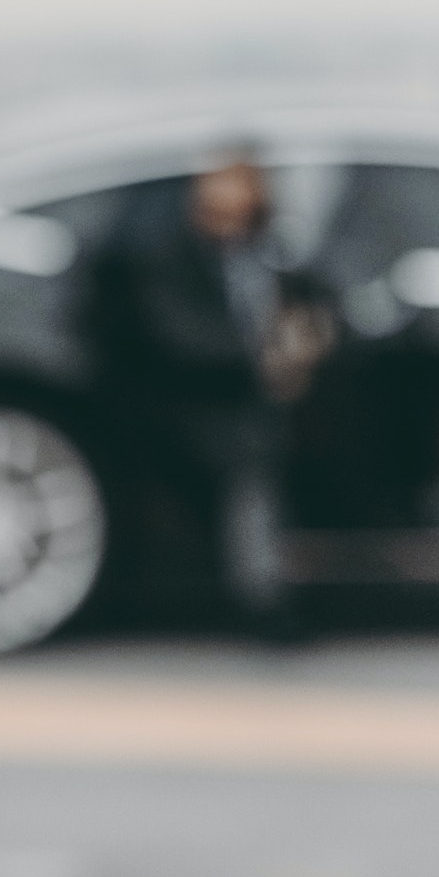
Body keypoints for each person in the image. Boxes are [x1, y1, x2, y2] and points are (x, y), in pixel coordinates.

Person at [82, 150, 333, 634]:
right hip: (185, 401)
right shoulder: (165, 249)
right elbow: (177, 336)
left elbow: (310, 305)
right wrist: (263, 362)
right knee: (251, 461)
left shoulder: (267, 250)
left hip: (254, 398)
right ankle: (261, 597)